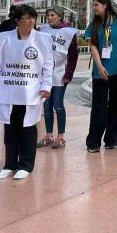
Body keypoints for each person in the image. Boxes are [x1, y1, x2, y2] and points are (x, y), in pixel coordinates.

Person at [0, 5, 53, 180]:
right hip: (8, 89)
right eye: (27, 18)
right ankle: (9, 164)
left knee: (28, 127)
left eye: (33, 18)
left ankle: (25, 165)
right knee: (10, 126)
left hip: (30, 91)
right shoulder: (5, 38)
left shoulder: (42, 39)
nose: (31, 21)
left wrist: (46, 86)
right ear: (17, 21)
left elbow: (47, 65)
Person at [85, 0, 117, 153]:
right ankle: (93, 142)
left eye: (96, 4)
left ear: (105, 5)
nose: (94, 7)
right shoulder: (94, 25)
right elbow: (93, 46)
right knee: (99, 106)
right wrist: (99, 66)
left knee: (116, 105)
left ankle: (111, 140)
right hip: (101, 71)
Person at [37, 8, 79, 149]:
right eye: (48, 15)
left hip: (60, 73)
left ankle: (61, 136)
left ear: (59, 17)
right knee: (47, 106)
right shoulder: (43, 30)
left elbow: (73, 55)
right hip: (45, 74)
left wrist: (69, 74)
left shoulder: (68, 32)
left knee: (58, 105)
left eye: (52, 15)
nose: (49, 17)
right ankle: (49, 135)